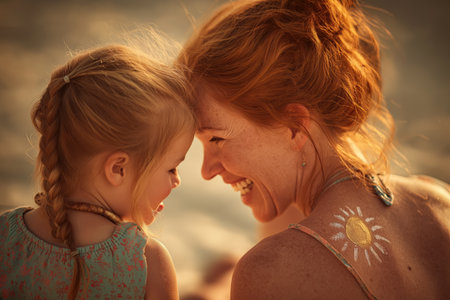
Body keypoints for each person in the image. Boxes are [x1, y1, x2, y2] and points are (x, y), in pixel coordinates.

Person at [177, 0, 450, 299]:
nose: (206, 171)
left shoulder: (271, 272)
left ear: (295, 126)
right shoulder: (438, 203)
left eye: (215, 139)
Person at [0, 44, 195, 299]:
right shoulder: (146, 262)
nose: (177, 180)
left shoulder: (5, 237)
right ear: (118, 169)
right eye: (172, 168)